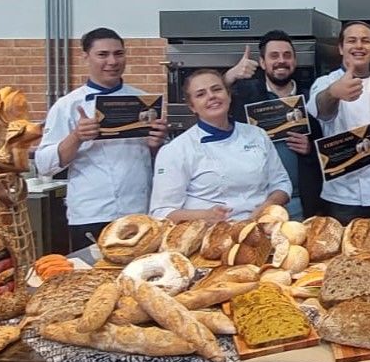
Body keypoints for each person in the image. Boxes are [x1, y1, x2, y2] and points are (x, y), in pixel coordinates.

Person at [34, 27, 169, 250]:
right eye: (103, 55)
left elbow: (157, 161)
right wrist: (77, 137)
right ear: (86, 57)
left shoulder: (143, 100)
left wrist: (156, 145)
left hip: (139, 211)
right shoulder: (67, 106)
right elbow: (44, 165)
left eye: (118, 54)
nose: (112, 61)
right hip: (91, 213)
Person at [306, 21, 370, 225]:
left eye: (365, 41)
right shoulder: (325, 83)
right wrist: (334, 92)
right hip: (341, 198)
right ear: (340, 48)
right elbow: (321, 109)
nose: (359, 46)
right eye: (351, 41)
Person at [150, 69, 291, 222]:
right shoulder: (175, 150)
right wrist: (205, 215)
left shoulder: (257, 134)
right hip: (207, 236)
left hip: (261, 227)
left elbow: (281, 183)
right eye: (201, 94)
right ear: (192, 106)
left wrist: (268, 205)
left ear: (229, 95)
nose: (211, 96)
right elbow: (161, 212)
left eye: (217, 89)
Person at [224, 29, 322, 221]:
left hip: (302, 202)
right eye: (274, 56)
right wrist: (229, 76)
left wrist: (310, 148)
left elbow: (328, 149)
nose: (281, 60)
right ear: (262, 62)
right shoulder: (243, 96)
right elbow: (209, 102)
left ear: (295, 61)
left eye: (287, 55)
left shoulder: (311, 98)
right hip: (255, 203)